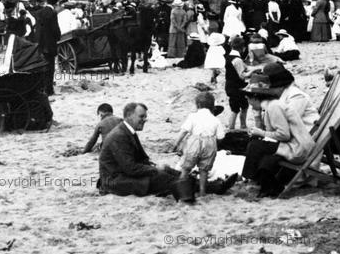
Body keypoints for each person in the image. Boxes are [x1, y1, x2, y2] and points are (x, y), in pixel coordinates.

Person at [97, 102, 237, 197]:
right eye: (141, 116)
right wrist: (155, 169)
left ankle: (208, 185)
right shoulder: (119, 136)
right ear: (128, 116)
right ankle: (215, 188)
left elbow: (142, 159)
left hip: (125, 175)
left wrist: (156, 166)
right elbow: (130, 168)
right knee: (164, 178)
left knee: (170, 172)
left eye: (145, 116)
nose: (145, 119)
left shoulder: (127, 131)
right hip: (116, 181)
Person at [241, 72, 317, 197]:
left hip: (297, 148)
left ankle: (249, 178)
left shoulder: (274, 107)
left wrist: (261, 133)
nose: (248, 103)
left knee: (255, 146)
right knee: (257, 146)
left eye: (248, 99)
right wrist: (257, 117)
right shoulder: (270, 106)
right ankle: (265, 185)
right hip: (292, 144)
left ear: (255, 97)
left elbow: (284, 135)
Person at [172, 92, 226, 197]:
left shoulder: (193, 116)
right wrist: (215, 144)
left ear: (198, 105)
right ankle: (202, 191)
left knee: (186, 167)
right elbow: (221, 137)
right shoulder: (216, 120)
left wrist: (176, 144)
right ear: (212, 107)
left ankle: (182, 190)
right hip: (210, 143)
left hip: (194, 142)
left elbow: (184, 131)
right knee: (204, 170)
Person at [36, 0, 61, 95]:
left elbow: (38, 29)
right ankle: (49, 90)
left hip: (40, 44)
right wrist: (58, 37)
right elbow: (55, 29)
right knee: (50, 68)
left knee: (42, 67)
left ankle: (42, 88)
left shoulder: (39, 12)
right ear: (55, 3)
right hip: (50, 44)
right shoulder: (53, 13)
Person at [224, 36, 250, 130]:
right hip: (237, 86)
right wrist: (251, 73)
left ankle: (232, 127)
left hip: (230, 85)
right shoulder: (237, 60)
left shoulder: (229, 56)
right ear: (242, 48)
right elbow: (242, 75)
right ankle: (240, 126)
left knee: (236, 107)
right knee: (241, 107)